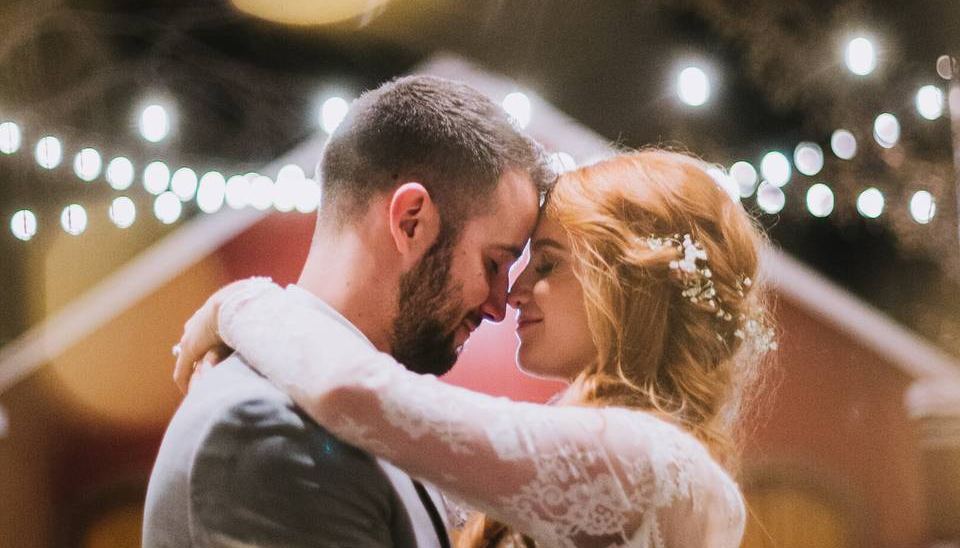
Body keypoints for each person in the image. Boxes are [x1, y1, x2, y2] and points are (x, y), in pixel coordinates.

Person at [174, 148, 778, 548]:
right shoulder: (608, 455)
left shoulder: (641, 459)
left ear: (629, 283)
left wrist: (244, 304)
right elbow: (399, 458)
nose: (513, 292)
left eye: (546, 262)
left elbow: (357, 396)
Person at [142, 75, 554, 547]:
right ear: (410, 220)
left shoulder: (373, 410)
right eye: (494, 263)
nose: (499, 305)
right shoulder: (272, 428)